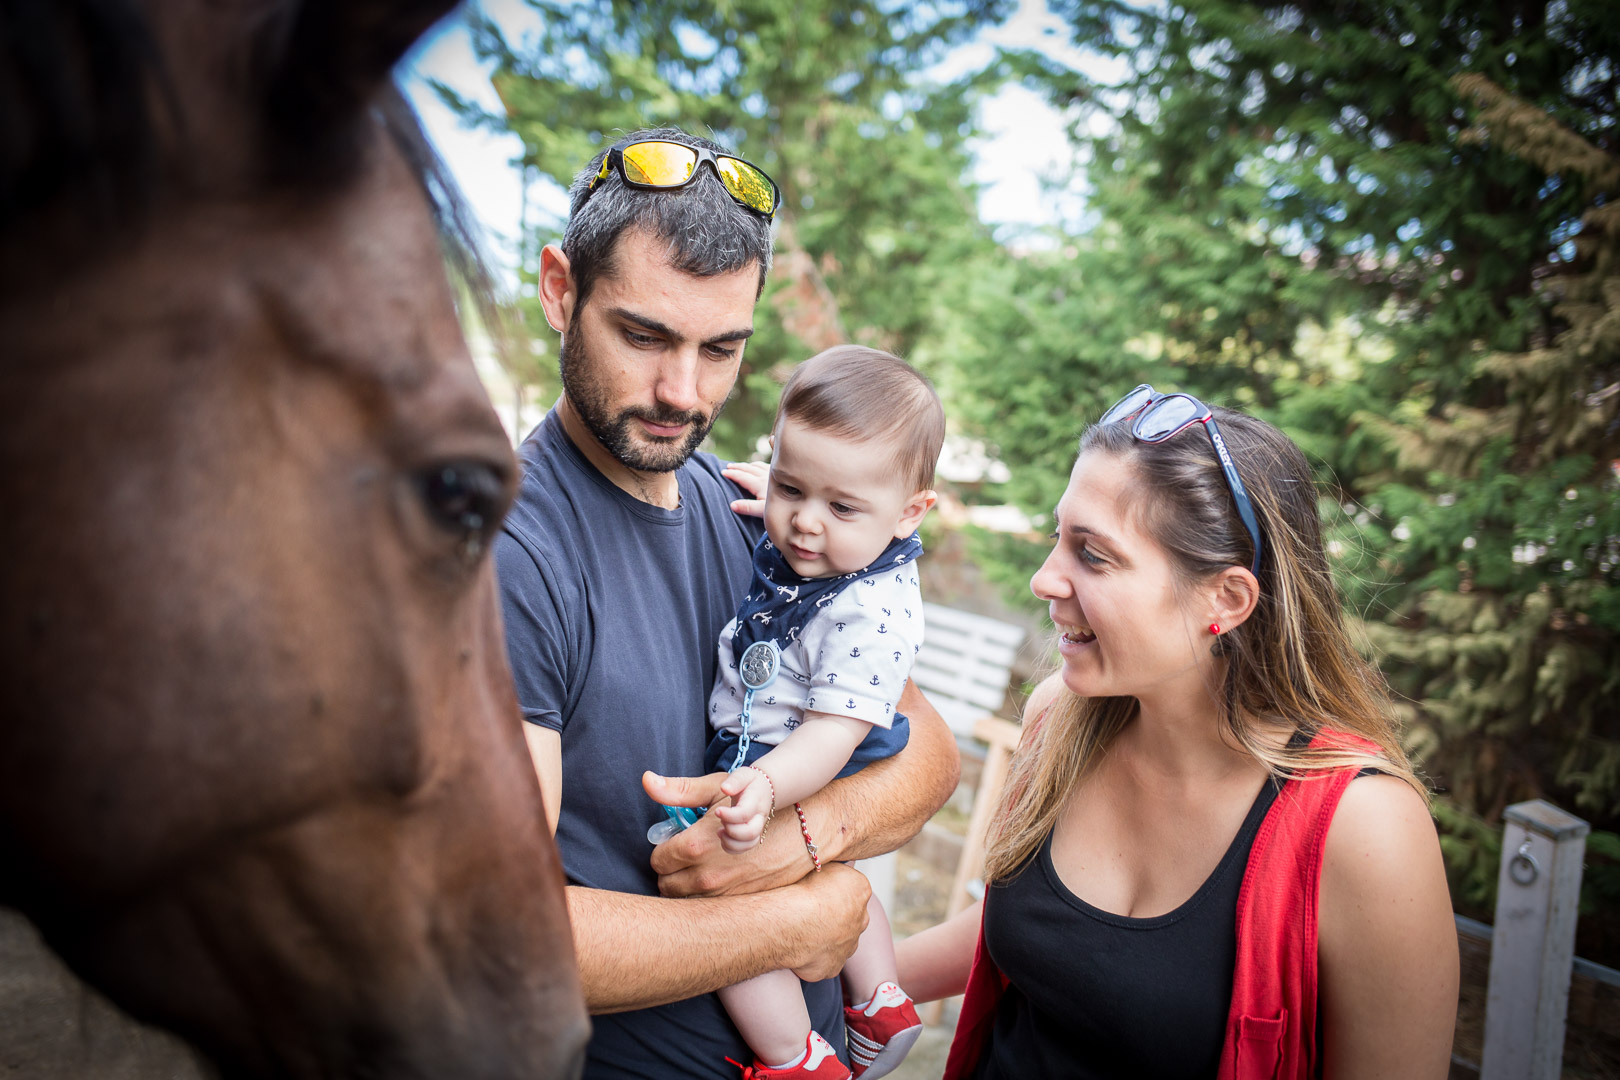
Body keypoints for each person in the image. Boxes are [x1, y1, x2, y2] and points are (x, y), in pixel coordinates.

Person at [494, 129, 960, 1078]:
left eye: (721, 349)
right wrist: (791, 919)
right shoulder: (510, 559)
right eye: (643, 336)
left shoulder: (767, 517)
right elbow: (498, 941)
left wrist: (800, 839)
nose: (682, 392)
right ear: (559, 290)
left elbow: (927, 755)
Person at [897, 386, 1459, 1079]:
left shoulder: (1364, 829)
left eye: (1092, 555)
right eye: (1057, 538)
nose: (1045, 580)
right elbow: (1039, 934)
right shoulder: (1058, 720)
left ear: (1225, 598)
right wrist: (844, 983)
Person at [685, 346, 942, 1080]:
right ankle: (882, 1000)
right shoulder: (840, 550)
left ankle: (794, 1057)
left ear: (910, 512)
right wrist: (774, 490)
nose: (803, 524)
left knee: (729, 913)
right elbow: (814, 503)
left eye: (840, 507)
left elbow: (834, 734)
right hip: (788, 750)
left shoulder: (872, 614)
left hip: (794, 760)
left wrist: (764, 789)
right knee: (834, 870)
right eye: (791, 486)